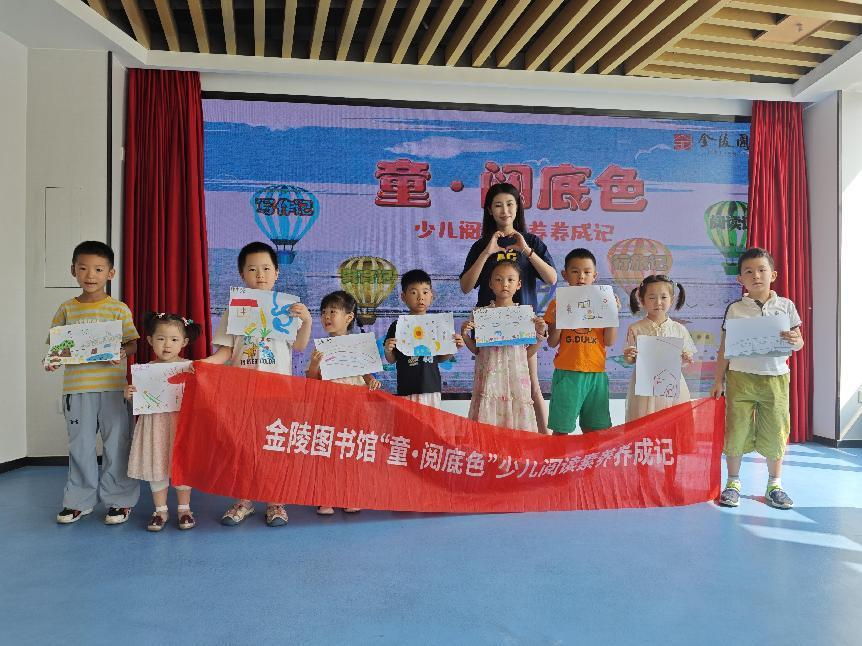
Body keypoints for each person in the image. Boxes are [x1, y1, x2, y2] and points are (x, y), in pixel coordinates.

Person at [201, 241, 313, 527]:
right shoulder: (233, 311)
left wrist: (307, 321)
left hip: (278, 391)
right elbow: (225, 353)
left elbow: (300, 347)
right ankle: (244, 500)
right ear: (242, 275)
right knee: (243, 447)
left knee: (274, 445)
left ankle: (275, 502)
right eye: (252, 269)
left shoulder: (288, 309)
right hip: (242, 392)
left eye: (266, 268)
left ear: (276, 273)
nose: (260, 274)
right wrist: (201, 365)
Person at [46, 241, 140, 525]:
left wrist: (122, 351)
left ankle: (120, 501)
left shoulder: (118, 309)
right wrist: (53, 359)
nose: (90, 275)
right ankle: (78, 502)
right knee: (80, 446)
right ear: (73, 270)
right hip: (77, 390)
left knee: (117, 445)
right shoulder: (66, 309)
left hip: (113, 389)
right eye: (83, 268)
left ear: (110, 273)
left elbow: (132, 343)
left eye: (98, 269)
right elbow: (56, 345)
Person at [711, 247, 804, 510]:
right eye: (749, 271)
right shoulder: (735, 308)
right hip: (740, 377)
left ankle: (774, 485)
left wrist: (795, 340)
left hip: (775, 378)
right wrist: (718, 380)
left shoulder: (786, 306)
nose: (756, 276)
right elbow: (725, 346)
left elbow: (799, 343)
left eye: (762, 270)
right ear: (740, 279)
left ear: (773, 274)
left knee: (776, 429)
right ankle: (733, 483)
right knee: (736, 429)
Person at [459, 183, 556, 433]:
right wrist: (487, 252)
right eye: (498, 205)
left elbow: (552, 278)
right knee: (489, 385)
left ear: (518, 207)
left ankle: (544, 442)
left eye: (510, 204)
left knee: (530, 385)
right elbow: (466, 286)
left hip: (522, 325)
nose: (505, 210)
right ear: (489, 210)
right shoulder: (481, 244)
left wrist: (526, 250)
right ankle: (490, 441)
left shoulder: (530, 241)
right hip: (489, 326)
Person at [306, 290, 381, 515]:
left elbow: (366, 374)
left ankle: (350, 494)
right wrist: (314, 365)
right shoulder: (320, 349)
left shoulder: (359, 346)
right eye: (323, 312)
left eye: (333, 311)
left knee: (352, 450)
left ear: (349, 317)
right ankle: (326, 496)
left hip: (354, 407)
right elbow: (311, 381)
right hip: (329, 408)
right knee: (328, 451)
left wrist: (372, 381)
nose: (326, 316)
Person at [126, 312, 202, 531]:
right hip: (155, 424)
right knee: (157, 462)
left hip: (182, 424)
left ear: (184, 342)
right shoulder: (145, 370)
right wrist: (130, 393)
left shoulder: (190, 367)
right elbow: (140, 398)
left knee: (181, 464)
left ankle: (184, 509)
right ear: (150, 340)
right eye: (161, 338)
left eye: (174, 339)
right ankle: (160, 511)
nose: (167, 344)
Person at [461, 261, 548, 432]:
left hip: (516, 380)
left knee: (516, 430)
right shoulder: (481, 315)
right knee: (488, 429)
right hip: (490, 381)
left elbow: (526, 354)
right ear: (490, 284)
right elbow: (477, 351)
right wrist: (465, 335)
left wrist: (539, 336)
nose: (505, 284)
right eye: (498, 279)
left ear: (519, 284)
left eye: (510, 280)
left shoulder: (526, 316)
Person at [543, 249, 618, 435]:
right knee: (561, 429)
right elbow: (552, 342)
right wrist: (559, 319)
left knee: (595, 429)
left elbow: (609, 341)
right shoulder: (557, 303)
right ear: (565, 275)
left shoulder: (604, 302)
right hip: (568, 372)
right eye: (575, 271)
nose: (581, 277)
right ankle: (559, 455)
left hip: (596, 372)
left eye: (587, 272)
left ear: (595, 276)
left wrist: (613, 314)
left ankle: (591, 456)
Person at [383, 269, 464, 408]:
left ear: (432, 296)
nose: (420, 297)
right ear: (403, 297)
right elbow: (392, 359)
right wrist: (387, 350)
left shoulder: (438, 326)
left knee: (430, 421)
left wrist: (453, 348)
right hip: (407, 388)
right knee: (408, 421)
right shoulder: (397, 325)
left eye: (425, 292)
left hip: (431, 388)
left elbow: (440, 358)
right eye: (414, 292)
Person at [623, 275, 697, 421]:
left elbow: (686, 360)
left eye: (663, 297)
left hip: (672, 386)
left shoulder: (679, 329)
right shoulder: (636, 328)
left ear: (672, 299)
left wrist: (686, 358)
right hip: (645, 388)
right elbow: (630, 360)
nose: (658, 302)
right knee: (645, 421)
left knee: (672, 422)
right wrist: (629, 355)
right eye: (652, 297)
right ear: (642, 300)